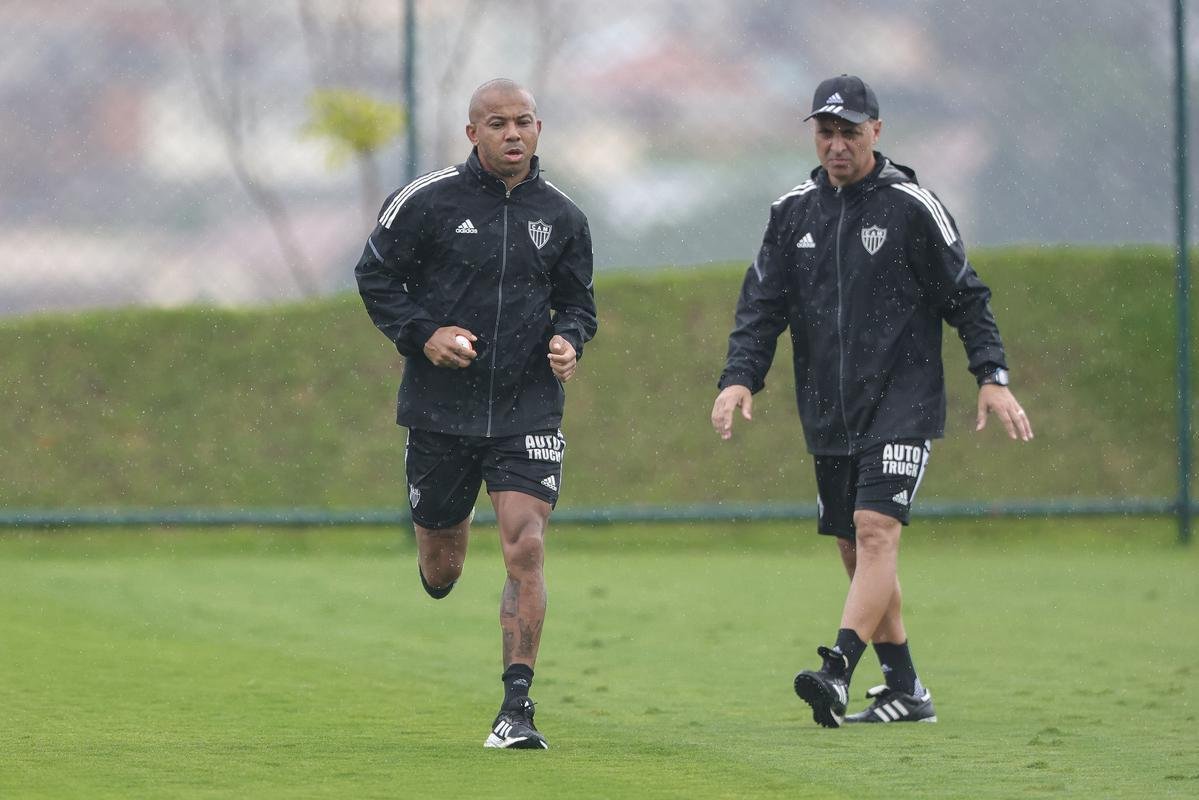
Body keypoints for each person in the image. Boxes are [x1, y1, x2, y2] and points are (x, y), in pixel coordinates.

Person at [710, 74, 1033, 728]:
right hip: (828, 410)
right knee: (855, 550)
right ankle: (906, 690)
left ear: (876, 132)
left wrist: (991, 375)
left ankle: (837, 668)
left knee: (875, 530)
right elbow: (760, 307)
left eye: (849, 133)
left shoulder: (911, 206)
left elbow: (966, 297)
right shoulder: (791, 213)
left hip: (902, 403)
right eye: (825, 132)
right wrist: (739, 377)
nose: (836, 145)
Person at [354, 78, 597, 749]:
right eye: (497, 123)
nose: (512, 133)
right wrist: (424, 334)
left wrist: (568, 340)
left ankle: (516, 708)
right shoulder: (427, 201)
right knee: (443, 570)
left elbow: (580, 304)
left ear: (538, 128)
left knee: (526, 544)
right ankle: (439, 542)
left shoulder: (564, 216)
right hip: (440, 411)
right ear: (472, 133)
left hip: (528, 410)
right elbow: (374, 275)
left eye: (523, 121)